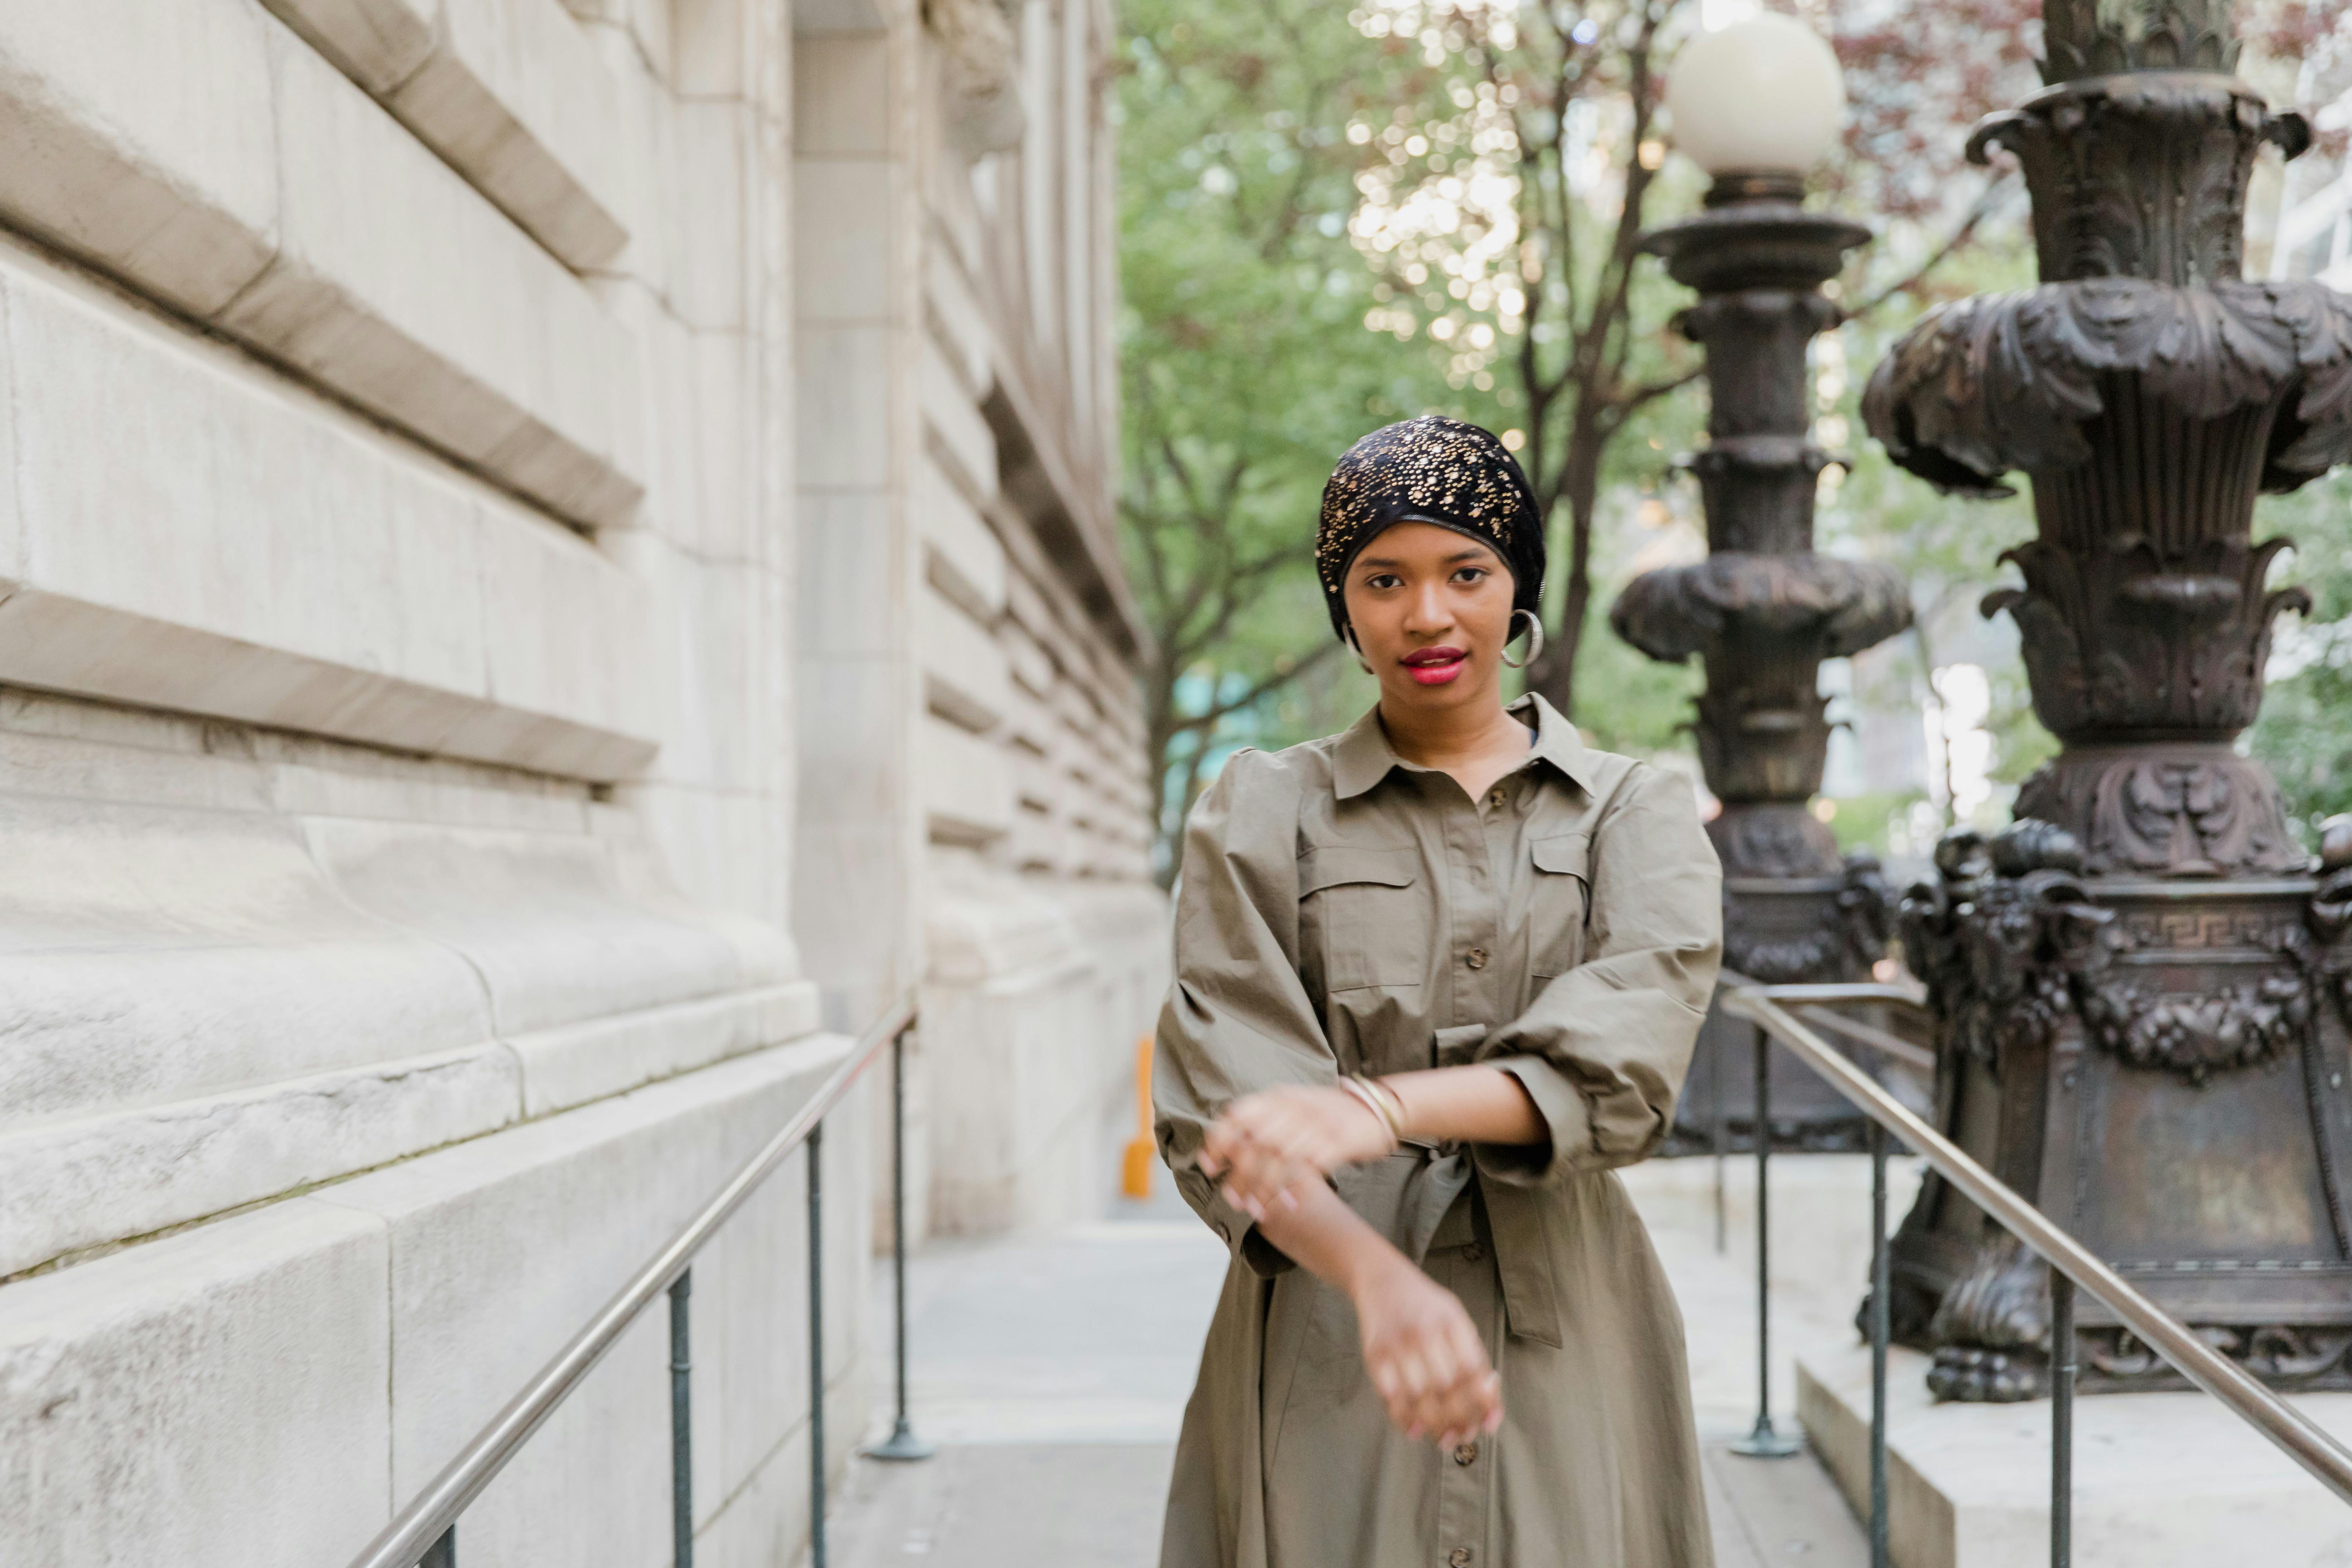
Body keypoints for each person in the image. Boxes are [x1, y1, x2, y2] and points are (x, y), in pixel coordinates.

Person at [1153, 416, 1723, 1568]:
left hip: (1571, 1341)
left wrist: (1377, 1107)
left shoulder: (1632, 811)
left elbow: (1621, 1062)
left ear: (1517, 593)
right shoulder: (1263, 810)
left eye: (1466, 571)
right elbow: (1232, 1112)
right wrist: (1377, 1282)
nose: (1427, 614)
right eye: (1384, 579)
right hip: (1328, 1335)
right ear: (1344, 608)